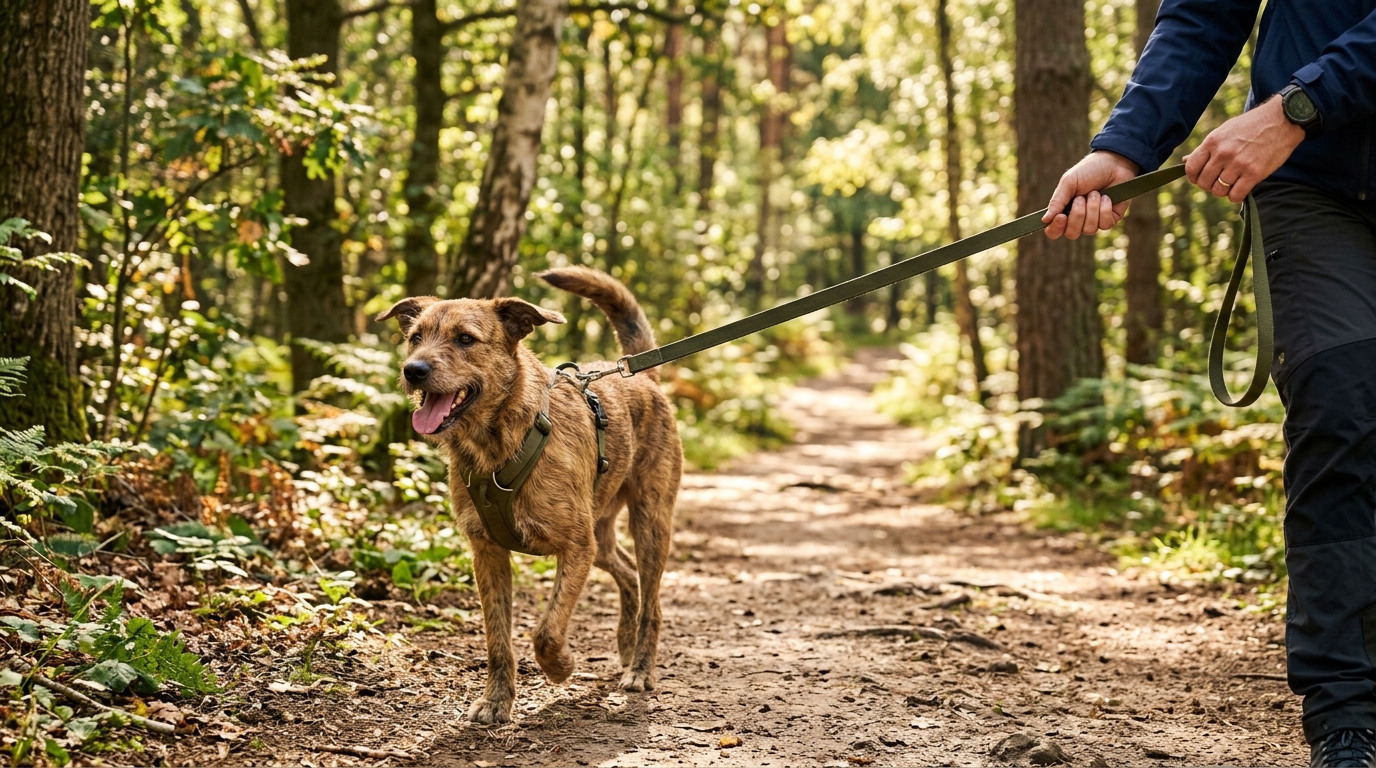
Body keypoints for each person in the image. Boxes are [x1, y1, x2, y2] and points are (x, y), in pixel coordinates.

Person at [1043, 2, 1376, 765]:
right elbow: (1202, 13)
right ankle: (1346, 717)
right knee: (1341, 409)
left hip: (1298, 124)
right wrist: (1125, 147)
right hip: (1312, 183)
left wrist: (1297, 105)